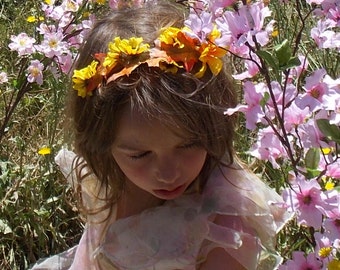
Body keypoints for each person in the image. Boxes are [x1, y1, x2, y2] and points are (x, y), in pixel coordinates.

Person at [31, 1, 292, 269]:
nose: (167, 173)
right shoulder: (112, 171)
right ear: (100, 139)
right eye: (140, 154)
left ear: (214, 125)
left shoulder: (225, 224)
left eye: (188, 144)